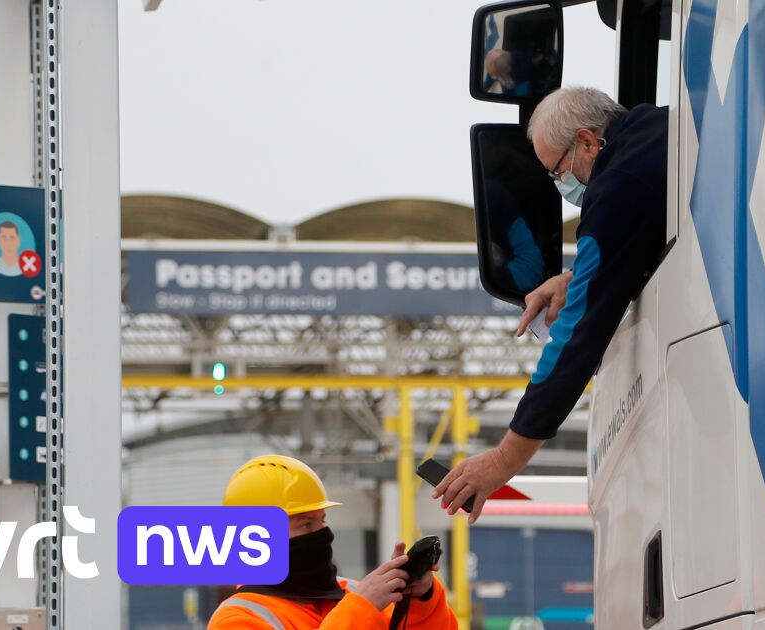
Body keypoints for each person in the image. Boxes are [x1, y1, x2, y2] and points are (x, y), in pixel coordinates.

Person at [434, 86, 667, 522]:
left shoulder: (614, 189)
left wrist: (504, 460)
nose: (562, 184)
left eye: (557, 171)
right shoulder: (657, 129)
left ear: (586, 141)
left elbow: (574, 341)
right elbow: (635, 240)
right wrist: (576, 277)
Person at [208, 454, 458, 630]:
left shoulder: (355, 593)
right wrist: (360, 611)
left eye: (322, 521)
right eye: (306, 524)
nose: (322, 533)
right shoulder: (237, 618)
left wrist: (420, 600)